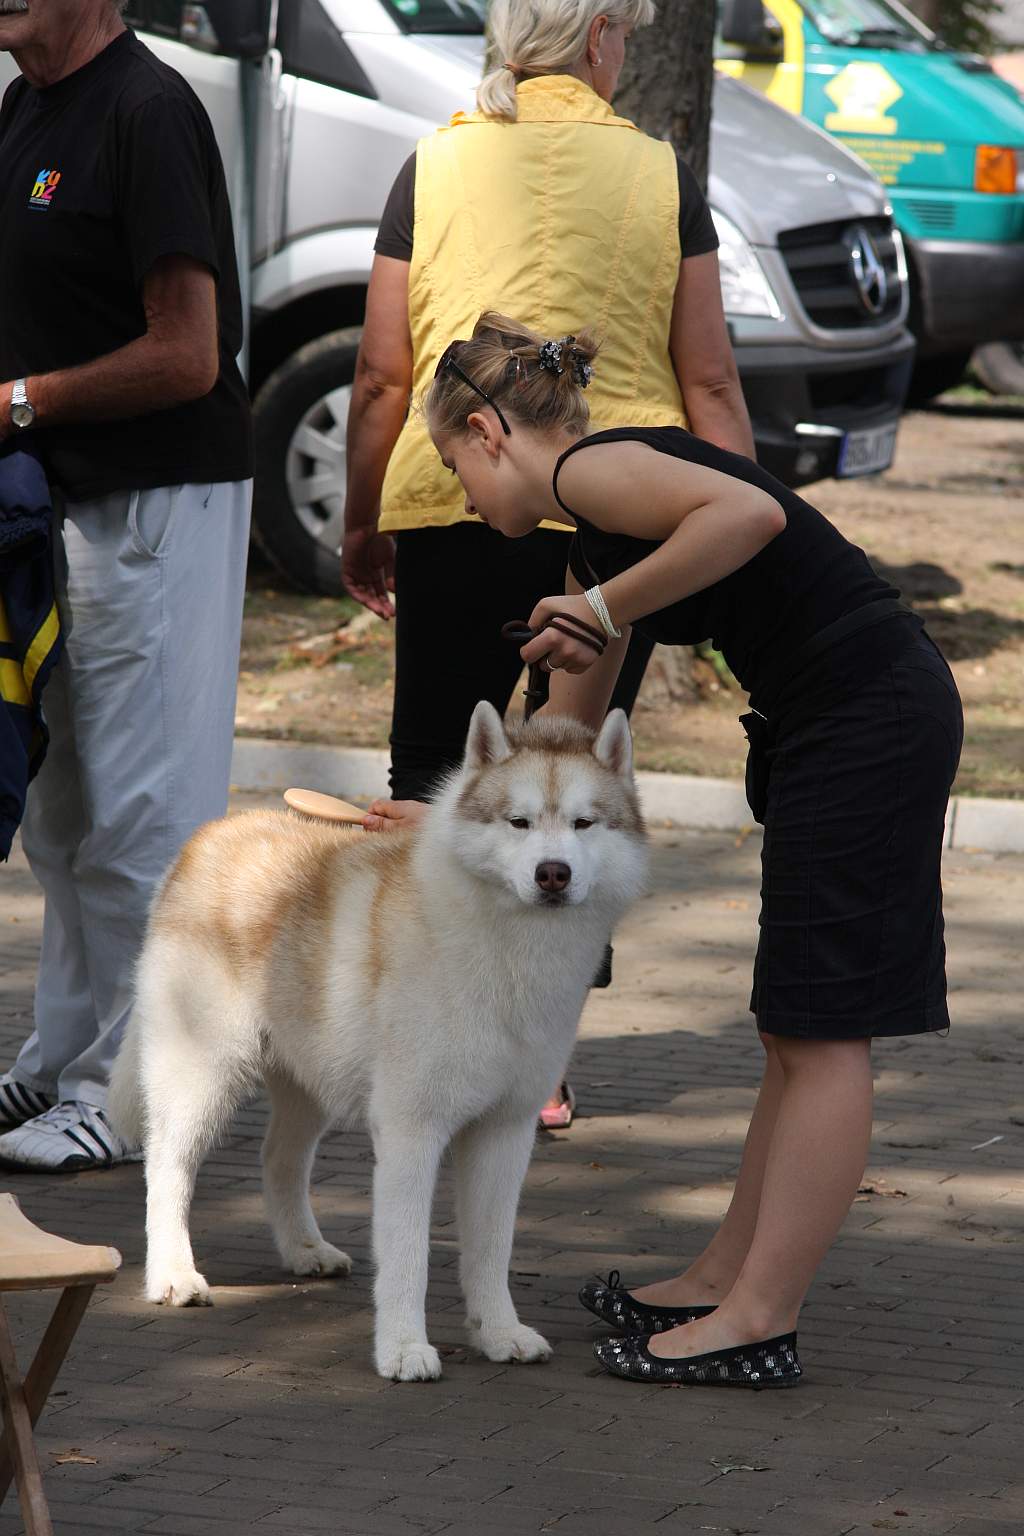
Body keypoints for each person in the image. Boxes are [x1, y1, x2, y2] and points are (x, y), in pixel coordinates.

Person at [420, 310, 963, 1388]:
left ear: (486, 432)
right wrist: (441, 818)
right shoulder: (595, 536)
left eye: (452, 468)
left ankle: (759, 1319)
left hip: (868, 715)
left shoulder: (592, 472)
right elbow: (560, 738)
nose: (462, 497)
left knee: (824, 1030)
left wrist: (601, 603)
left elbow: (753, 511)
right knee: (791, 1026)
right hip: (832, 721)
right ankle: (725, 1278)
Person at [343, 0, 753, 1126]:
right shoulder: (660, 173)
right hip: (614, 512)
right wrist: (739, 515)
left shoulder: (433, 162)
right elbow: (710, 378)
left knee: (436, 768)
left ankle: (415, 1025)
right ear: (599, 36)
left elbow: (382, 372)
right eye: (624, 31)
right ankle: (545, 1061)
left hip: (451, 493)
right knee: (572, 778)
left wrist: (363, 515)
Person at [0, 0, 253, 1170]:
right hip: (52, 507)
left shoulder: (146, 111)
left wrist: (20, 404)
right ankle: (63, 1059)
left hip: (154, 503)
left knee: (143, 816)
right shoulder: (25, 104)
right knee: (58, 814)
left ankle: (137, 1085)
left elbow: (190, 352)